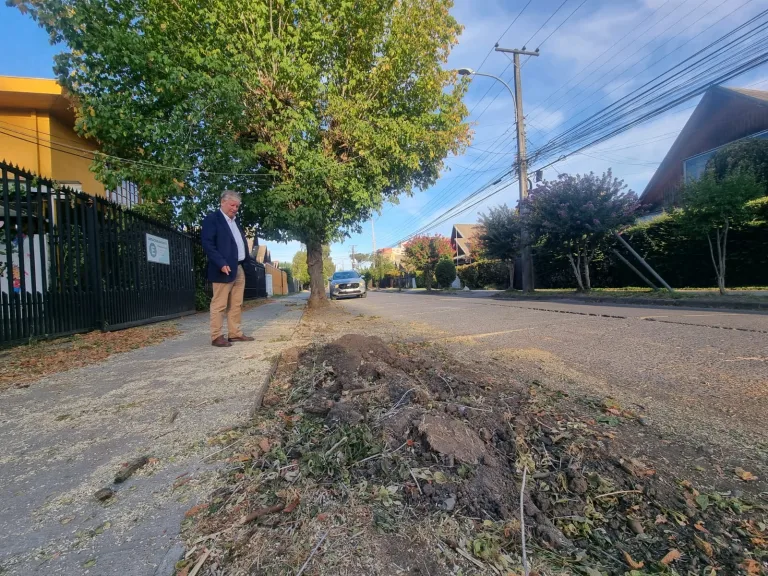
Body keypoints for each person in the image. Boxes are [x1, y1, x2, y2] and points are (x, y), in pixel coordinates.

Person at [201, 190, 256, 347]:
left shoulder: (235, 222)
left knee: (236, 303)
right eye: (232, 205)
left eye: (237, 206)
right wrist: (221, 263)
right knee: (219, 304)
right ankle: (216, 336)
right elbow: (208, 244)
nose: (235, 209)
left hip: (238, 268)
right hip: (223, 268)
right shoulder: (213, 219)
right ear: (223, 202)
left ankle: (235, 333)